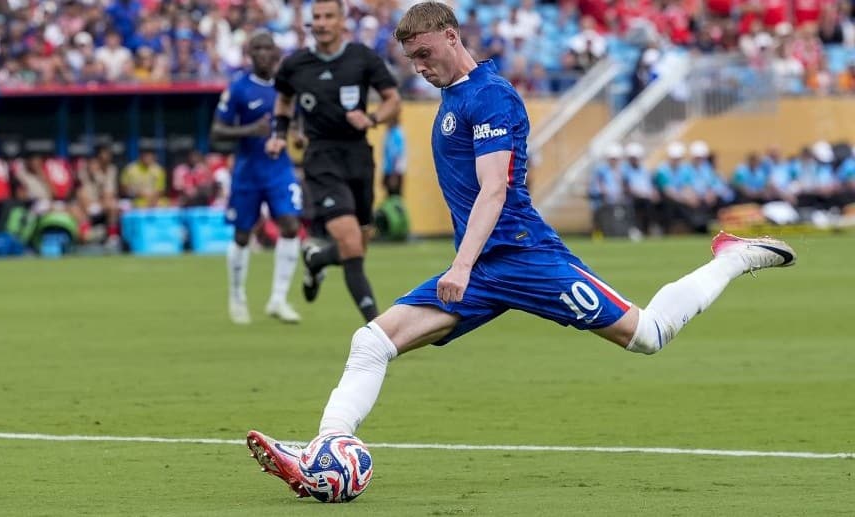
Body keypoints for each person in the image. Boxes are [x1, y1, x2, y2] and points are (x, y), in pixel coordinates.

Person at [245, 2, 797, 499]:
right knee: (372, 341)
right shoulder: (453, 96)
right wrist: (469, 265)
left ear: (451, 35)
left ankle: (732, 257)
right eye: (411, 59)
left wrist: (461, 264)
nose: (419, 66)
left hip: (525, 258)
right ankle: (325, 449)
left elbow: (495, 190)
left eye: (425, 53)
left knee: (648, 335)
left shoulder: (491, 96)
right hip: (484, 268)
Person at [268, 0, 401, 323]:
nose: (322, 22)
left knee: (358, 246)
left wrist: (371, 119)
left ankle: (316, 260)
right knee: (351, 243)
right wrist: (280, 134)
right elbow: (283, 100)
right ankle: (377, 327)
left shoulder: (362, 58)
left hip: (358, 156)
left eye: (329, 16)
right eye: (316, 17)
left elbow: (393, 100)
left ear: (343, 21)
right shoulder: (295, 64)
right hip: (321, 157)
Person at [210, 31, 303, 325]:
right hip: (247, 171)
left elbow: (297, 119)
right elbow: (216, 132)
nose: (263, 53)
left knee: (291, 225)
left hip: (279, 168)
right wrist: (248, 131)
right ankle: (237, 295)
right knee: (241, 235)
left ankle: (278, 298)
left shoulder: (287, 87)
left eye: (267, 48)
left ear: (276, 53)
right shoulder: (238, 88)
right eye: (257, 49)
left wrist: (298, 135)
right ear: (250, 54)